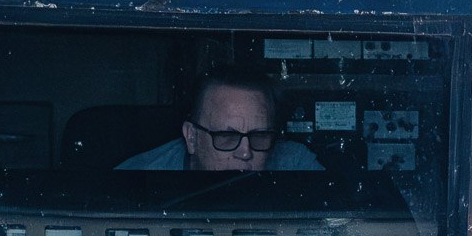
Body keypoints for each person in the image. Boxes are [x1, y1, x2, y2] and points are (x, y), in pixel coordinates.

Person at [116, 71, 325, 172]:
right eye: (227, 137)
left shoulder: (295, 163)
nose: (245, 153)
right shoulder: (138, 177)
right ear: (192, 137)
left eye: (260, 136)